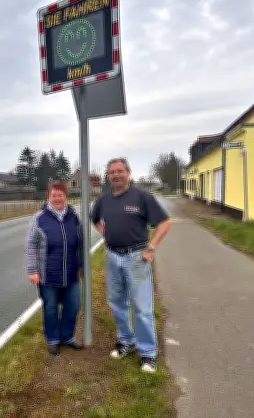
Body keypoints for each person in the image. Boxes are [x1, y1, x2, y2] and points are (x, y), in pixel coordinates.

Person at [90, 157, 172, 373]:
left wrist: (151, 247)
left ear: (128, 173)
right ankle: (126, 340)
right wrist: (106, 232)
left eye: (120, 171)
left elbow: (165, 222)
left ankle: (148, 353)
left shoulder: (142, 197)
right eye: (112, 172)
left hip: (136, 257)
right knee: (117, 303)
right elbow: (94, 219)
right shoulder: (104, 200)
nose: (116, 175)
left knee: (142, 307)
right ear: (108, 176)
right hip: (112, 257)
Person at [25, 181, 84, 355]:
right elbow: (31, 245)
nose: (57, 198)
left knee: (72, 306)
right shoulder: (39, 218)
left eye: (60, 195)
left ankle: (67, 336)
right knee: (50, 309)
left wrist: (81, 265)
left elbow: (80, 243)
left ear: (66, 196)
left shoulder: (73, 217)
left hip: (71, 273)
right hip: (48, 275)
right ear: (48, 197)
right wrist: (32, 270)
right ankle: (53, 339)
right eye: (54, 195)